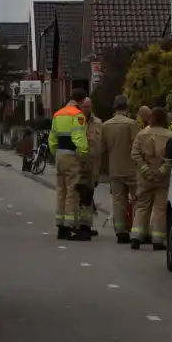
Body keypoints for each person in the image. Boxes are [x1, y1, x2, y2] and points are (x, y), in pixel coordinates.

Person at [130, 106, 172, 250]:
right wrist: (161, 171)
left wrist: (145, 170)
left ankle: (136, 236)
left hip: (144, 178)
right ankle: (158, 239)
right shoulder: (170, 136)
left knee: (142, 206)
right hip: (162, 179)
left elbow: (135, 154)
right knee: (160, 208)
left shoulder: (142, 134)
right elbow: (171, 158)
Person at [49, 88, 90, 241]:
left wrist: (55, 153)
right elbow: (78, 137)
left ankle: (60, 225)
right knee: (72, 191)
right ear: (81, 100)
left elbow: (52, 138)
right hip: (72, 155)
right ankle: (70, 226)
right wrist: (84, 153)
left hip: (59, 154)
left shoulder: (58, 114)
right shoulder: (77, 115)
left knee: (61, 190)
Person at [101, 95, 139, 244]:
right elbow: (137, 145)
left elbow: (102, 149)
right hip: (131, 169)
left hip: (114, 168)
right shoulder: (131, 124)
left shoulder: (106, 125)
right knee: (137, 199)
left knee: (118, 200)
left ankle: (120, 231)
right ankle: (137, 230)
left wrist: (103, 169)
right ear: (126, 108)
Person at [75, 97, 103, 238]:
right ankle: (79, 225)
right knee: (80, 197)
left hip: (93, 165)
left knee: (89, 196)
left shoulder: (98, 123)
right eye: (84, 106)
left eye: (88, 106)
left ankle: (86, 225)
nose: (86, 109)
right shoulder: (76, 121)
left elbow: (101, 144)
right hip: (78, 165)